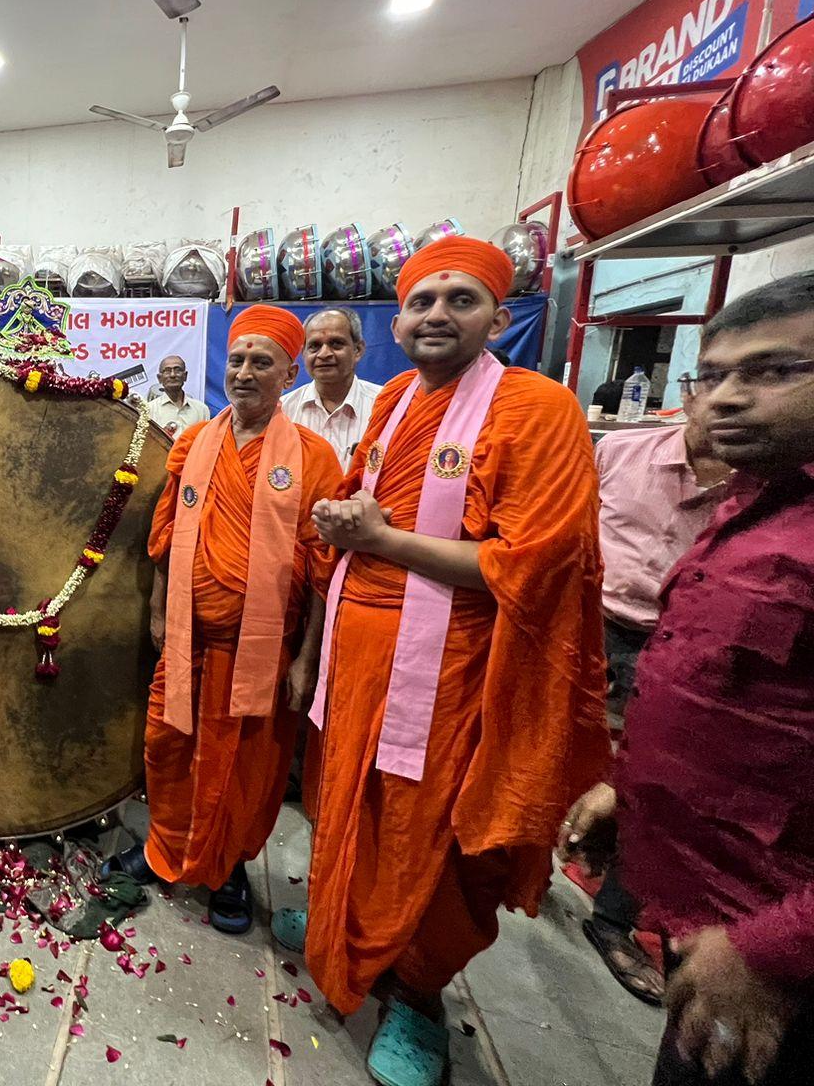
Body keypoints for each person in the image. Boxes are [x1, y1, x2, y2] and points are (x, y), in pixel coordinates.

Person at [278, 236, 608, 1086]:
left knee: (429, 836)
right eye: (422, 300)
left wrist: (381, 538)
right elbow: (360, 505)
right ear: (400, 319)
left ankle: (417, 997)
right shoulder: (391, 403)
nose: (436, 315)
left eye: (461, 300)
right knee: (345, 802)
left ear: (500, 317)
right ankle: (343, 930)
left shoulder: (537, 409)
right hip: (357, 655)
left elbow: (531, 561)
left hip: (456, 668)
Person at [560, 273, 814, 1086]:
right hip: (717, 921)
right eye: (712, 376)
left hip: (773, 955)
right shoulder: (755, 506)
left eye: (775, 372)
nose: (727, 399)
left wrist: (769, 949)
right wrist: (631, 786)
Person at [105, 306, 342, 935]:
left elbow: (324, 570)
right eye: (236, 359)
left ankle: (228, 866)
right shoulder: (191, 442)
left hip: (262, 652)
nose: (244, 372)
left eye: (261, 361)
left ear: (288, 371)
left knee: (244, 769)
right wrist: (158, 609)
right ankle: (165, 851)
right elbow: (167, 535)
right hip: (187, 639)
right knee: (169, 747)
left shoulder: (316, 459)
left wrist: (305, 658)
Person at [579, 398, 731, 1005]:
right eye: (717, 376)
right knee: (566, 754)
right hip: (590, 622)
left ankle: (617, 916)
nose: (734, 397)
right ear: (691, 393)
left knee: (658, 782)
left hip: (688, 643)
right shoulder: (617, 452)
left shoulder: (766, 487)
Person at [281, 308, 383, 465]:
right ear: (303, 354)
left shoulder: (385, 405)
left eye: (336, 344)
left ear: (358, 350)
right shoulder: (283, 411)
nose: (324, 354)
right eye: (314, 346)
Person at [145, 354, 211, 438]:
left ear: (185, 376)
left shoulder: (202, 410)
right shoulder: (149, 410)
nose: (172, 375)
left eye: (177, 370)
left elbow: (205, 442)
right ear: (159, 378)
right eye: (167, 371)